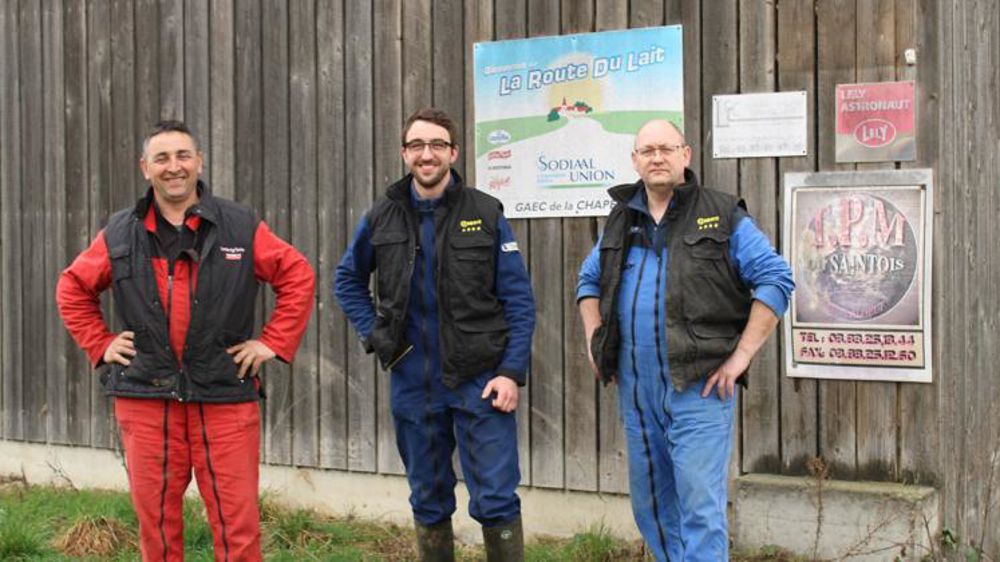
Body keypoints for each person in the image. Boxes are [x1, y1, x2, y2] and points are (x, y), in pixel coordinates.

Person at [56, 120, 316, 561]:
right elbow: (72, 286)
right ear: (145, 167)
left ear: (199, 162)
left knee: (238, 528)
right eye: (161, 158)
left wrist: (271, 341)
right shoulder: (120, 232)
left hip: (224, 395)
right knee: (156, 528)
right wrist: (100, 343)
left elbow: (297, 274)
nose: (173, 167)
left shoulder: (239, 225)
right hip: (145, 397)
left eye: (182, 156)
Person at [576, 120, 794, 562]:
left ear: (685, 155)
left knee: (699, 504)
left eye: (666, 149)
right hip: (636, 388)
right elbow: (589, 280)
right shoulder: (621, 219)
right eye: (647, 151)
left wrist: (742, 356)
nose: (657, 158)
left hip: (700, 386)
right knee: (652, 503)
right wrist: (595, 340)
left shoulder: (723, 213)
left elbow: (775, 279)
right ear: (635, 160)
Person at [334, 107, 535, 562]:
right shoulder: (382, 215)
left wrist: (510, 372)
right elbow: (347, 280)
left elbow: (519, 300)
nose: (428, 154)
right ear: (405, 153)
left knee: (496, 498)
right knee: (427, 496)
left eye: (438, 145)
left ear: (454, 153)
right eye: (418, 145)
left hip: (480, 379)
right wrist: (377, 335)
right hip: (413, 380)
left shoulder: (485, 212)